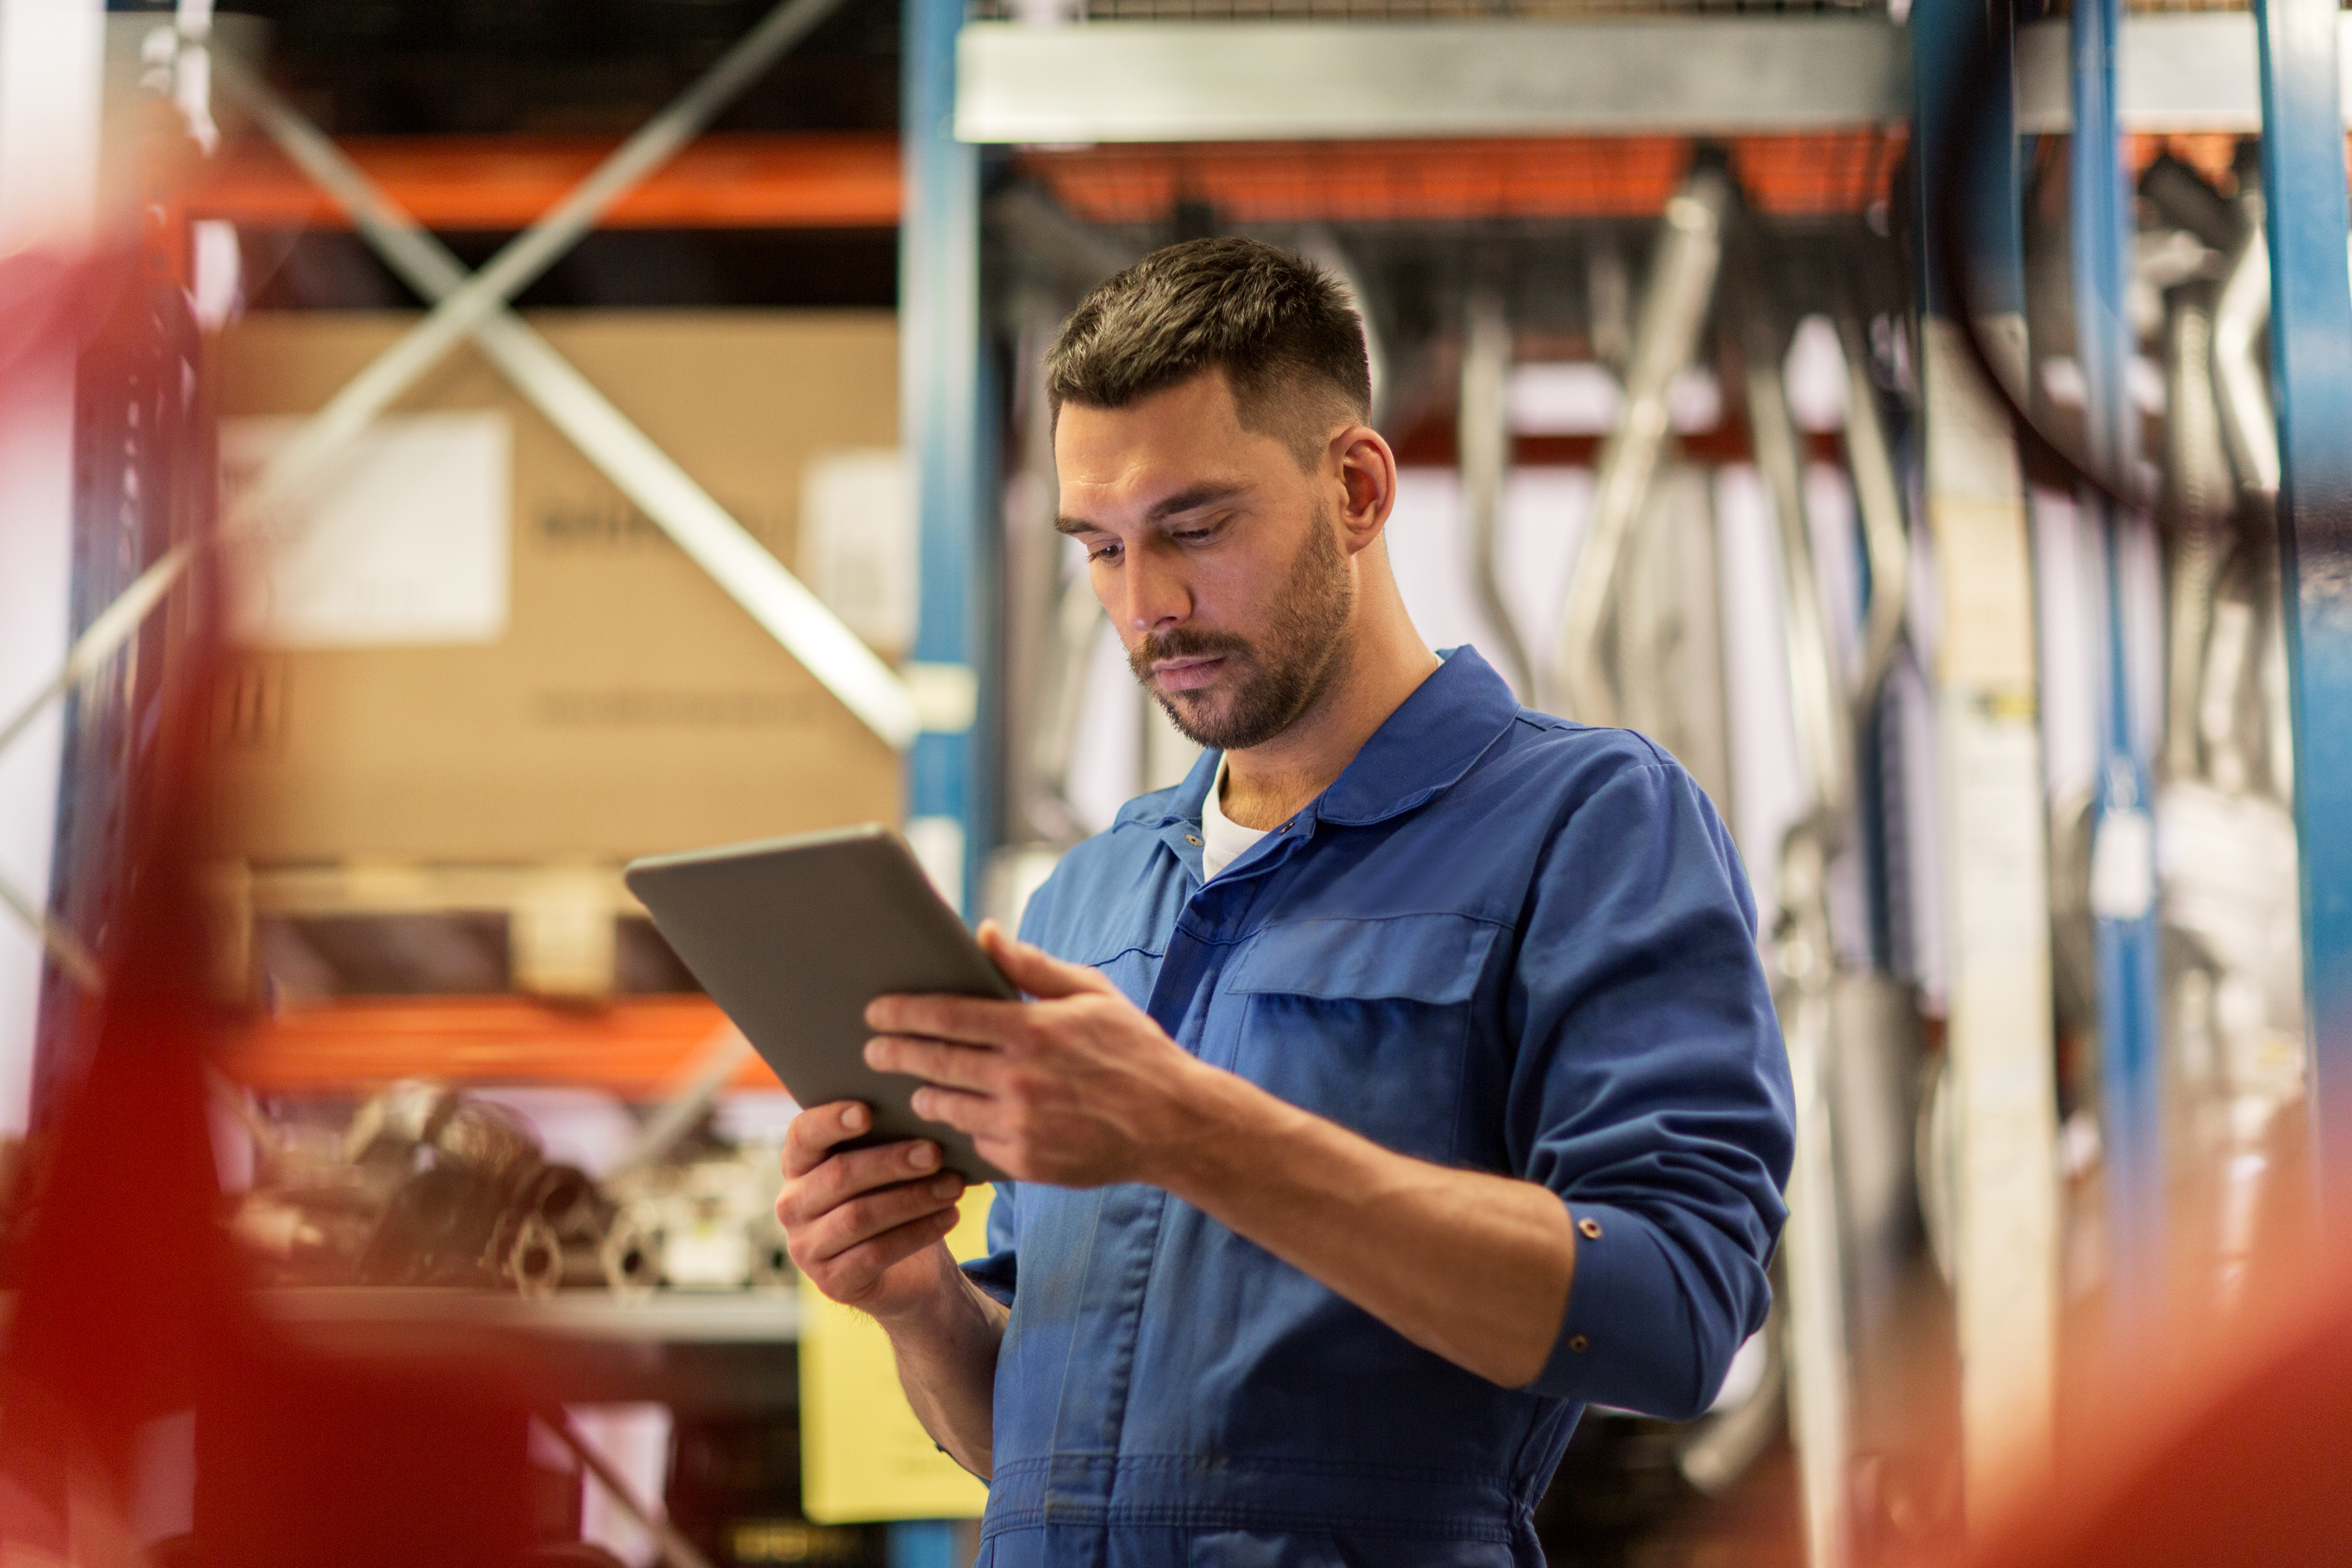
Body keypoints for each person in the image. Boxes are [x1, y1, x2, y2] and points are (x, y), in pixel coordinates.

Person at [775, 236, 1795, 1567]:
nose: (1147, 608)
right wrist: (915, 1300)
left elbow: (1671, 1314)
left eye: (1195, 529)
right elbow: (1024, 1442)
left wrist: (1185, 1126)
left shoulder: (1586, 824)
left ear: (1357, 486)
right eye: (1100, 548)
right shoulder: (1091, 889)